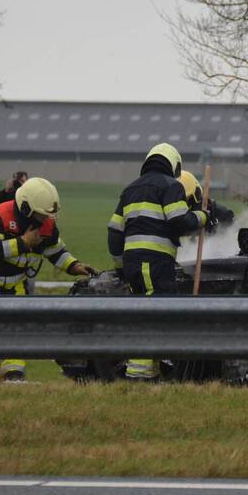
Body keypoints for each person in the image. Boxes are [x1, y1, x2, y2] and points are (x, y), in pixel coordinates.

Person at [0, 176, 96, 381]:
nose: (44, 220)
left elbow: (55, 252)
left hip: (17, 283)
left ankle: (14, 375)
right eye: (41, 215)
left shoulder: (47, 225)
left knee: (18, 327)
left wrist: (74, 265)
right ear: (26, 207)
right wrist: (23, 242)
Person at [108, 144, 209, 380]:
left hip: (134, 264)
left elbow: (114, 231)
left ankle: (150, 371)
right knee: (155, 313)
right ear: (173, 165)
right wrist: (202, 217)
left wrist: (120, 266)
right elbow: (178, 221)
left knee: (144, 312)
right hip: (153, 262)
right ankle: (140, 374)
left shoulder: (130, 189)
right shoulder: (171, 185)